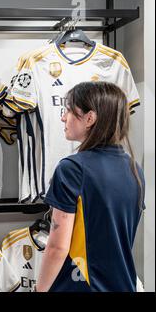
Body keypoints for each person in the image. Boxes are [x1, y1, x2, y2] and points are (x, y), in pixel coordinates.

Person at [36, 81, 145, 292]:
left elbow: (57, 247)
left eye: (69, 110)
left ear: (90, 118)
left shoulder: (72, 169)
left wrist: (39, 290)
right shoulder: (135, 170)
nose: (63, 117)